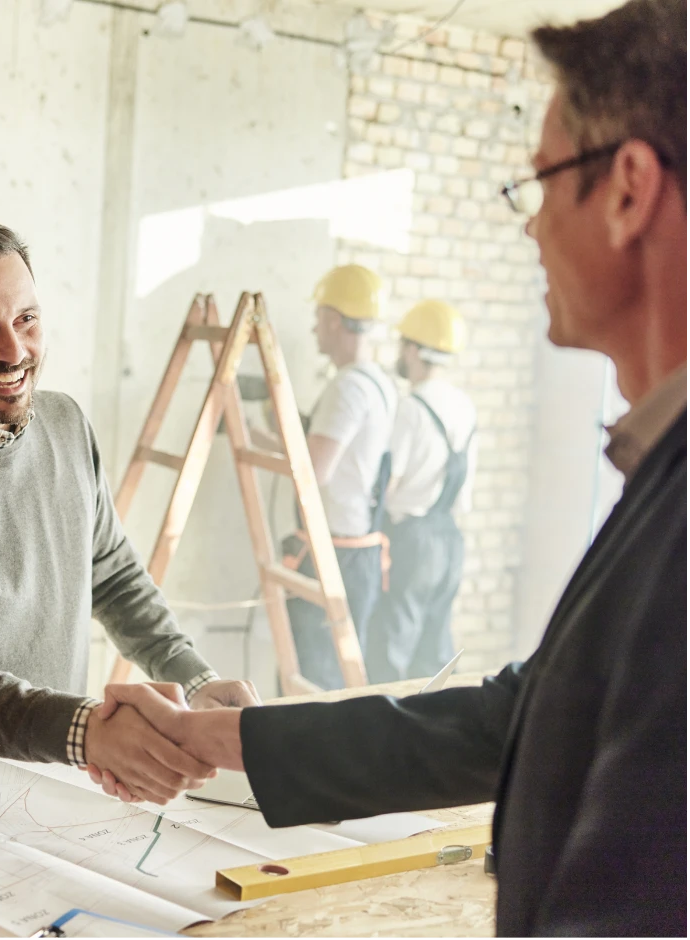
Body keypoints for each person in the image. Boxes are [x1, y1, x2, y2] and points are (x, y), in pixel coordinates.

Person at [94, 0, 689, 935]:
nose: (528, 230)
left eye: (539, 185)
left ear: (627, 190)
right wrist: (229, 737)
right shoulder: (658, 459)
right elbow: (513, 722)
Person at [0, 221, 257, 805]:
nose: (13, 351)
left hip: (58, 774)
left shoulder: (65, 423)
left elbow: (112, 578)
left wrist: (197, 679)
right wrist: (90, 732)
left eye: (26, 319)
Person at [282, 264, 397, 689]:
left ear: (334, 319)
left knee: (313, 681)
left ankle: (298, 759)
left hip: (332, 553)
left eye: (318, 319)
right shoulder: (379, 383)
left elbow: (315, 470)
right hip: (359, 549)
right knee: (334, 679)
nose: (314, 330)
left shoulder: (348, 387)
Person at [364, 300, 477, 683]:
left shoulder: (411, 406)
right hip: (449, 538)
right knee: (435, 649)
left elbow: (389, 480)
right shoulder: (464, 405)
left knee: (392, 647)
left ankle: (386, 734)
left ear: (412, 350)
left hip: (412, 539)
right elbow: (465, 491)